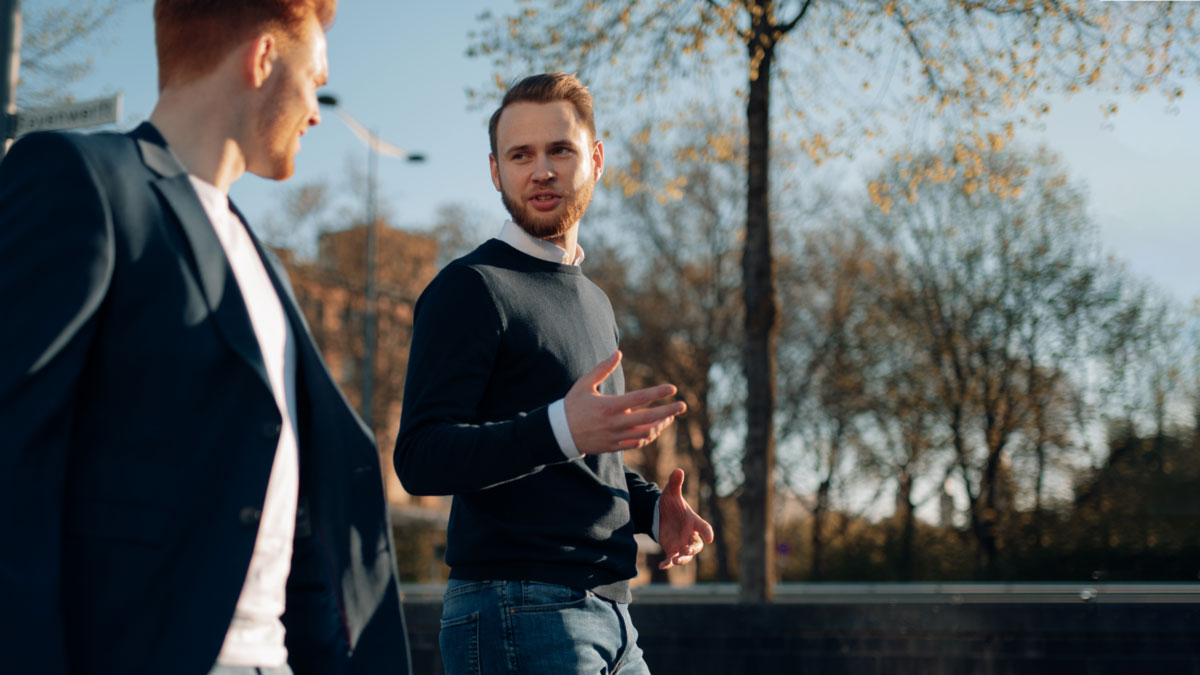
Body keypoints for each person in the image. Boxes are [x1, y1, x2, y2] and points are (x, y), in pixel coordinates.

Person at [0, 1, 410, 673]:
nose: (315, 110)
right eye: (316, 79)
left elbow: (295, 506)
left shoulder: (262, 261)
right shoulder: (81, 180)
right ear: (264, 59)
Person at [394, 72, 715, 674]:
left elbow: (578, 453)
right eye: (521, 155)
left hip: (614, 613)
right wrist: (561, 429)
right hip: (518, 609)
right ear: (496, 172)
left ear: (594, 160)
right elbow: (420, 457)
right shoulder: (470, 289)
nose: (540, 170)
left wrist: (648, 510)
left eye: (559, 150)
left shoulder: (594, 301)